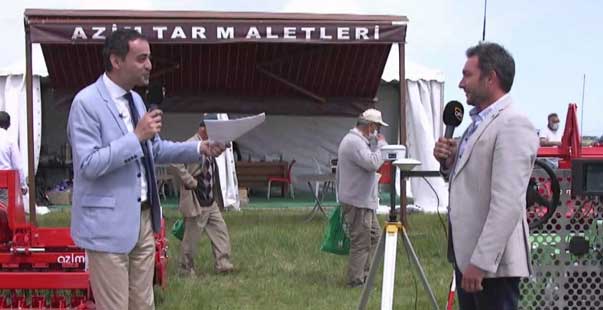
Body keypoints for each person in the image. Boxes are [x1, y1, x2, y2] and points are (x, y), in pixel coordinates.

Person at [67, 29, 225, 310]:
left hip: (143, 220)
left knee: (144, 305)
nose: (149, 65)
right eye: (141, 59)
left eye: (149, 58)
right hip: (106, 226)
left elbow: (154, 151)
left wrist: (200, 148)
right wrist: (135, 137)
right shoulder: (86, 103)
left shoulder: (136, 101)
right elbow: (88, 165)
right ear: (116, 61)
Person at [433, 42, 539, 310]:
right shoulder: (478, 123)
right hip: (468, 259)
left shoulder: (513, 124)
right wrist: (448, 162)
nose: (460, 83)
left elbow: (507, 204)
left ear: (491, 78)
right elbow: (468, 182)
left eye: (467, 74)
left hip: (492, 267)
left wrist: (480, 263)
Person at [170, 116, 234, 277]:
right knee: (191, 239)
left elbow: (212, 158)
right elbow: (174, 161)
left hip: (210, 199)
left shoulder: (210, 143)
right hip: (195, 199)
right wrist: (189, 180)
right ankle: (185, 270)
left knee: (221, 232)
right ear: (203, 128)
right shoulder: (191, 144)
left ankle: (224, 264)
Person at [336, 108, 388, 288]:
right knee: (361, 241)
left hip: (362, 200)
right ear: (371, 126)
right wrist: (381, 145)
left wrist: (374, 144)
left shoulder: (358, 141)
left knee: (373, 237)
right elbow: (372, 163)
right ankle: (355, 280)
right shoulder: (354, 142)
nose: (379, 133)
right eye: (378, 128)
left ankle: (364, 275)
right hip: (357, 201)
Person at [0, 111, 28, 204]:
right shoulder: (10, 139)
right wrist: (23, 185)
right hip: (4, 182)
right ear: (9, 124)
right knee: (3, 212)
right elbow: (17, 165)